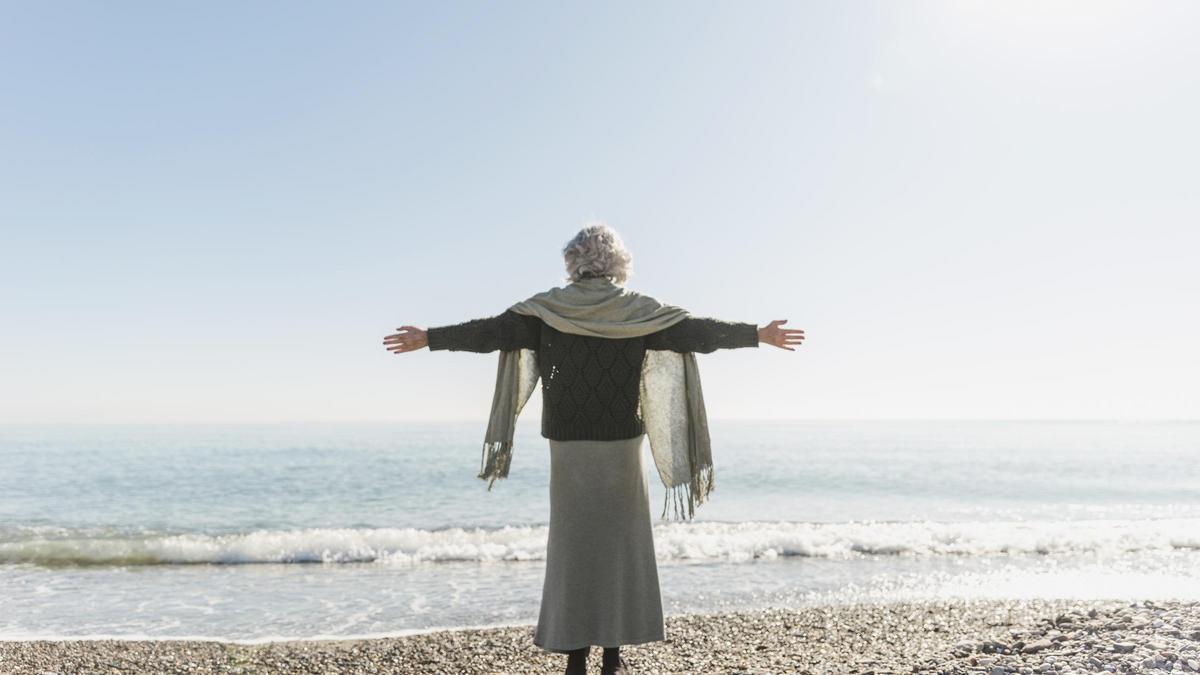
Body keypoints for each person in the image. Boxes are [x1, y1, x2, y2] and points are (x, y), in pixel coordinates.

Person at [383, 223, 804, 675]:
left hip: (567, 447)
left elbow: (488, 334)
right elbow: (695, 333)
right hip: (623, 445)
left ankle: (574, 657)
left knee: (573, 550)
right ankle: (612, 656)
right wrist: (757, 334)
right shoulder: (639, 313)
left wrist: (429, 338)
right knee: (622, 549)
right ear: (618, 263)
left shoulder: (545, 311)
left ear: (573, 262)